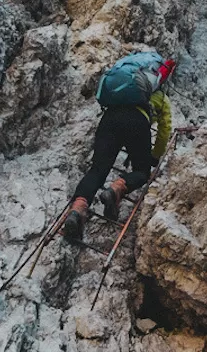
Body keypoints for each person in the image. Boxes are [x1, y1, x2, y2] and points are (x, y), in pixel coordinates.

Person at [63, 57, 175, 240]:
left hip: (110, 118)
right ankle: (116, 189)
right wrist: (155, 156)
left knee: (97, 170)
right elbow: (164, 130)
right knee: (141, 171)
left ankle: (78, 209)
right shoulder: (161, 97)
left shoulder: (125, 86)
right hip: (137, 123)